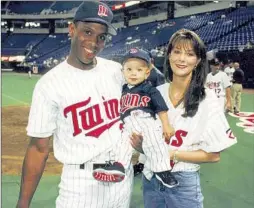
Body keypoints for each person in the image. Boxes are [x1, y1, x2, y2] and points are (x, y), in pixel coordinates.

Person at [16, 2, 133, 208]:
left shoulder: (117, 71)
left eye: (101, 36)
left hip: (122, 177)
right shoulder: (50, 84)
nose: (94, 42)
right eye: (87, 32)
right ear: (72, 29)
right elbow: (38, 148)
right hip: (81, 184)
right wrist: (23, 203)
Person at [130, 29, 237, 208]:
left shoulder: (208, 99)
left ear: (198, 61)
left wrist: (172, 154)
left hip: (183, 182)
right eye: (177, 52)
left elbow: (213, 155)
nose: (181, 59)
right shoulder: (154, 93)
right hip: (151, 179)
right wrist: (142, 148)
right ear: (169, 55)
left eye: (189, 54)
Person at [94, 48, 178, 188]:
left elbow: (161, 108)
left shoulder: (149, 89)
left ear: (147, 72)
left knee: (154, 142)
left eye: (139, 70)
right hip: (128, 124)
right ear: (123, 72)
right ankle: (117, 167)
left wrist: (166, 125)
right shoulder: (122, 90)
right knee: (121, 145)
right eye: (129, 69)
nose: (134, 73)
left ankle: (163, 170)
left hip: (146, 121)